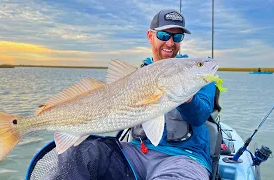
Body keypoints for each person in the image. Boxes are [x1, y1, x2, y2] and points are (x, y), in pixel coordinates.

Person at [46, 9, 215, 180]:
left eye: (177, 37)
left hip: (184, 158)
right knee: (79, 154)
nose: (170, 43)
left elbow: (200, 116)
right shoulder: (135, 75)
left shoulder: (197, 75)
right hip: (135, 154)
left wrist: (187, 96)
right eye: (164, 35)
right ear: (150, 36)